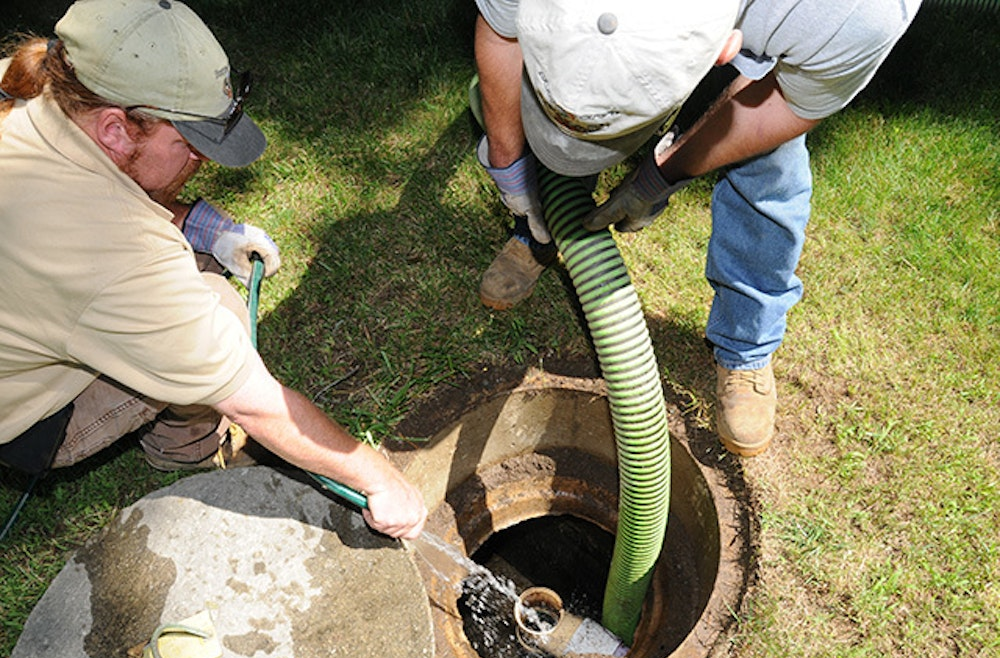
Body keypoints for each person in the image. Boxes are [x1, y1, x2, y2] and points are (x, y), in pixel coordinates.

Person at [0, 0, 426, 540]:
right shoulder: (114, 253)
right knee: (219, 313)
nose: (200, 162)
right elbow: (253, 401)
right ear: (115, 129)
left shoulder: (32, 92)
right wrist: (380, 478)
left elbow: (95, 196)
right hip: (30, 420)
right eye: (190, 145)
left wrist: (206, 227)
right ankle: (188, 452)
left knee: (191, 262)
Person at [473, 0, 921, 457]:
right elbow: (500, 33)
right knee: (572, 104)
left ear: (725, 49)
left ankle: (747, 344)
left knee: (768, 168)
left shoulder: (851, 13)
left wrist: (662, 175)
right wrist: (511, 168)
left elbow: (788, 105)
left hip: (763, 44)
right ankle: (538, 229)